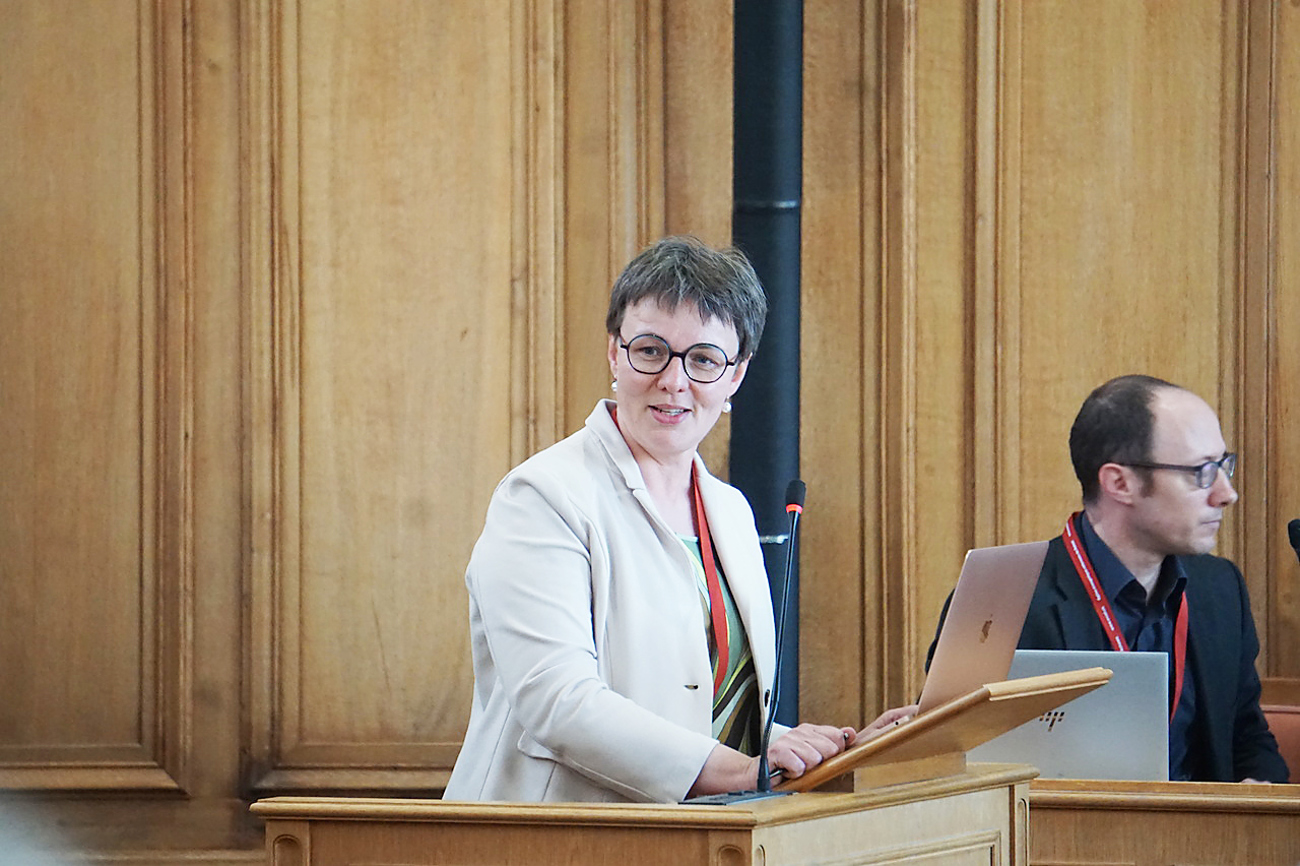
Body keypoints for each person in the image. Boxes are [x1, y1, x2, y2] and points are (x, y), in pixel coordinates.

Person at [444, 236, 913, 803]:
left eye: (703, 361)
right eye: (650, 351)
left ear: (735, 377)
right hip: (555, 837)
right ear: (615, 354)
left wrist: (833, 751)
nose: (673, 380)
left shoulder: (730, 512)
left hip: (691, 838)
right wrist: (745, 773)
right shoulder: (543, 497)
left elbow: (704, 716)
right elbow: (557, 701)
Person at [926, 374, 1287, 783]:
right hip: (1054, 840)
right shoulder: (999, 600)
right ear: (1119, 483)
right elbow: (946, 761)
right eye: (1201, 471)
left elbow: (1246, 735)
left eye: (1224, 465)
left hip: (1205, 839)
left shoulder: (1220, 588)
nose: (1226, 493)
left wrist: (1261, 792)